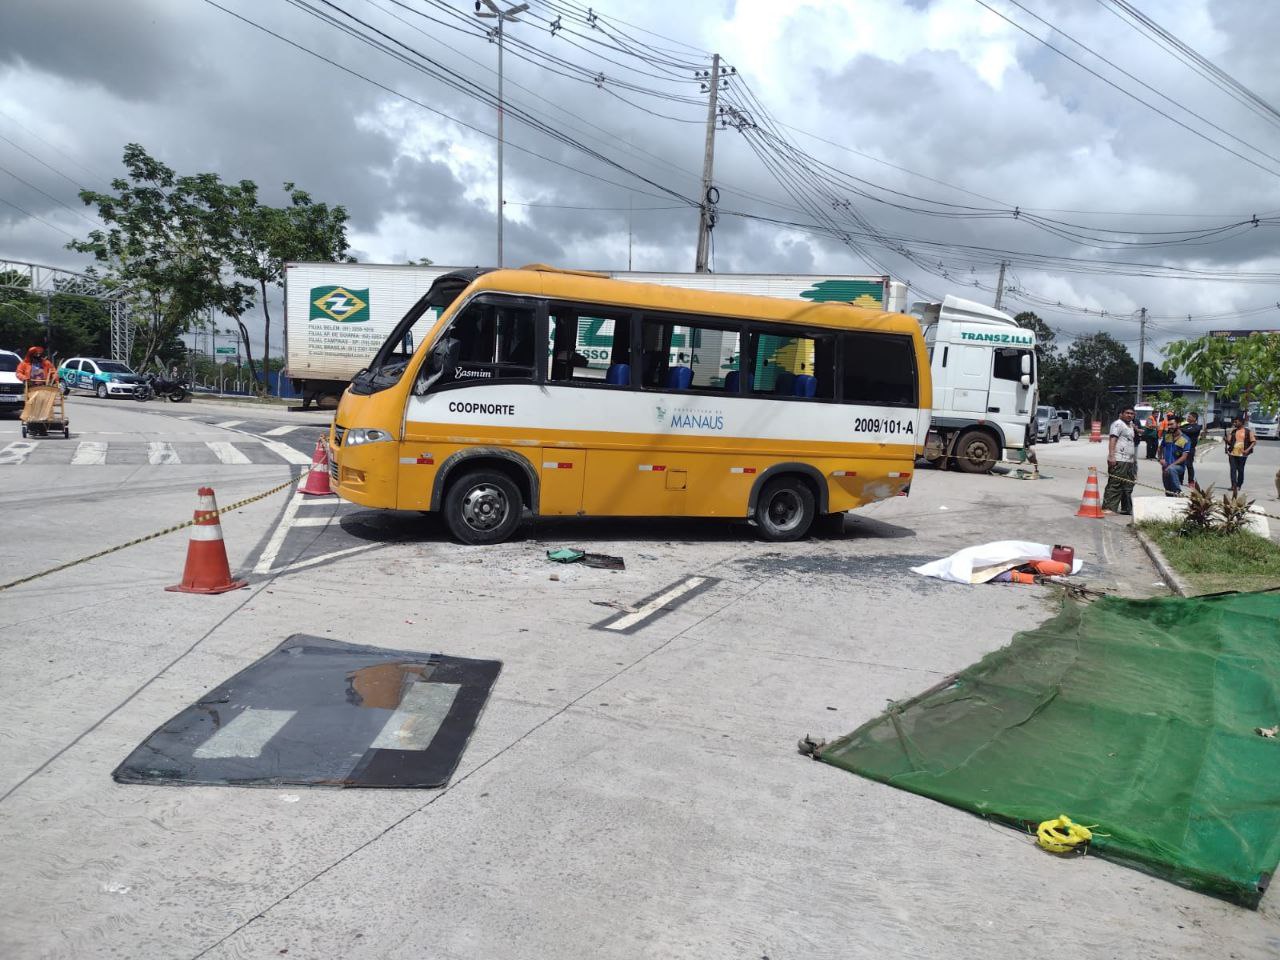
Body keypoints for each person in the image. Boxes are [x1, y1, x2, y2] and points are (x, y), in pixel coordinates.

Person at [1103, 406, 1138, 515]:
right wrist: (1111, 456)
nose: (1129, 415)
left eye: (1132, 413)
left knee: (1128, 485)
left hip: (1130, 460)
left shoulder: (1130, 425)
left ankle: (1126, 508)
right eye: (1127, 413)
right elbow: (1113, 439)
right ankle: (1109, 508)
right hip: (1119, 458)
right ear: (1121, 414)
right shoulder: (1118, 424)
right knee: (1115, 483)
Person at [1159, 421, 1191, 497]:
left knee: (1171, 469)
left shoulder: (1185, 439)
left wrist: (1171, 465)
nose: (1169, 426)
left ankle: (1178, 492)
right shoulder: (1167, 436)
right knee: (1168, 492)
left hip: (1178, 467)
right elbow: (1160, 448)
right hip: (1166, 466)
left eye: (1171, 424)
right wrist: (1160, 458)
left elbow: (1184, 457)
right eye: (1168, 425)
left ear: (1178, 424)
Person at [1225, 416, 1255, 495]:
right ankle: (1233, 485)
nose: (1235, 423)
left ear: (1241, 422)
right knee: (1233, 470)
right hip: (1232, 453)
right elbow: (1229, 442)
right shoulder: (1233, 431)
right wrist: (1226, 438)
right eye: (1234, 422)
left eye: (1236, 422)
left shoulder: (1248, 431)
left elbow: (1253, 442)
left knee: (1240, 470)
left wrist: (1247, 450)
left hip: (1243, 454)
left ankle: (1239, 485)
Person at [1180, 411, 1202, 487]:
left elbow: (1189, 431)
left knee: (1189, 465)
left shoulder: (1197, 427)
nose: (1188, 418)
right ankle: (1180, 480)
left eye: (1189, 417)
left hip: (1190, 448)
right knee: (1181, 464)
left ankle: (1191, 481)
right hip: (1182, 447)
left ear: (1194, 418)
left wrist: (1180, 429)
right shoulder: (1185, 425)